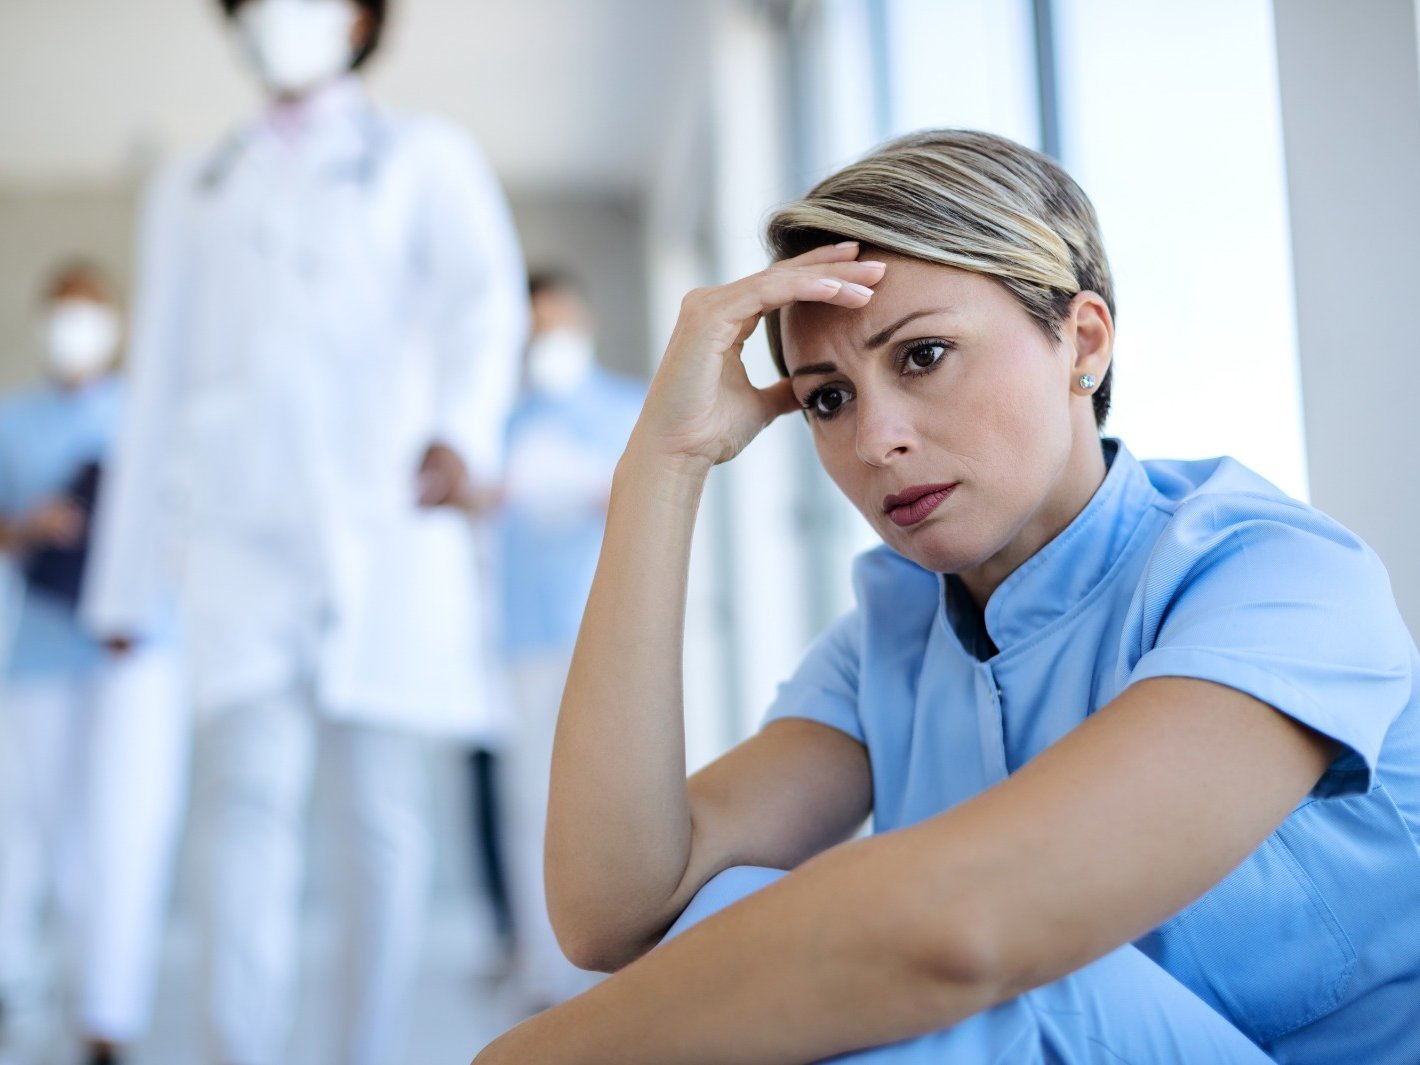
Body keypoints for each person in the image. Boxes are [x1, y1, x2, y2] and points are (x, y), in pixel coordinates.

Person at [472, 130, 1420, 1064]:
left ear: (1082, 341)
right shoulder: (892, 634)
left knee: (979, 972)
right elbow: (616, 911)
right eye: (828, 398)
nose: (875, 438)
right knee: (734, 908)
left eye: (923, 355)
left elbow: (967, 929)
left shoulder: (1283, 580)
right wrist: (663, 463)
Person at [82, 1, 528, 1063]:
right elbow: (155, 386)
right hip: (239, 537)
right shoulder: (192, 182)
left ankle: (367, 1052)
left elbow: (485, 304)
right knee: (244, 806)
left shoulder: (422, 157)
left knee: (381, 822)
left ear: (361, 18)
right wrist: (125, 581)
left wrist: (463, 431)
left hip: (386, 526)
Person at [0, 263, 189, 1065]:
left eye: (89, 312)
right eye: (62, 312)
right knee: (53, 832)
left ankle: (110, 1016)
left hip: (137, 653)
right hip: (43, 652)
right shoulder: (13, 420)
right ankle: (59, 982)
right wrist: (28, 527)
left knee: (129, 829)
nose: (74, 329)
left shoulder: (153, 414)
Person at [493, 271, 645, 1010]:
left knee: (621, 797)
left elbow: (650, 499)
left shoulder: (627, 408)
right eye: (537, 327)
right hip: (525, 634)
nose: (549, 340)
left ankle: (627, 955)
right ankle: (543, 966)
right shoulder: (502, 420)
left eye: (559, 323)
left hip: (612, 633)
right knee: (530, 803)